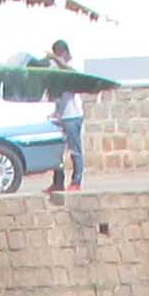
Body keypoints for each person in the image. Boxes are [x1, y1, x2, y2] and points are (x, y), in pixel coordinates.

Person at [45, 38, 88, 192]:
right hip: (61, 117)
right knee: (58, 152)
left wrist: (56, 59)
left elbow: (73, 74)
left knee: (75, 150)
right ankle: (58, 182)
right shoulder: (57, 69)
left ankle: (76, 181)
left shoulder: (70, 67)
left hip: (73, 116)